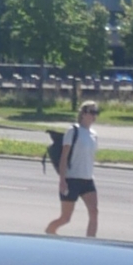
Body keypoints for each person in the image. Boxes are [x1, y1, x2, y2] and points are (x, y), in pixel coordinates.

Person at [46, 101, 102, 238]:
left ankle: (90, 243)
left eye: (96, 112)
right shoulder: (73, 131)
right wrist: (62, 180)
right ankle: (49, 232)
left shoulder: (94, 134)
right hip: (72, 180)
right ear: (83, 114)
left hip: (88, 179)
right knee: (65, 218)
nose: (94, 115)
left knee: (94, 212)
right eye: (91, 112)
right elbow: (64, 157)